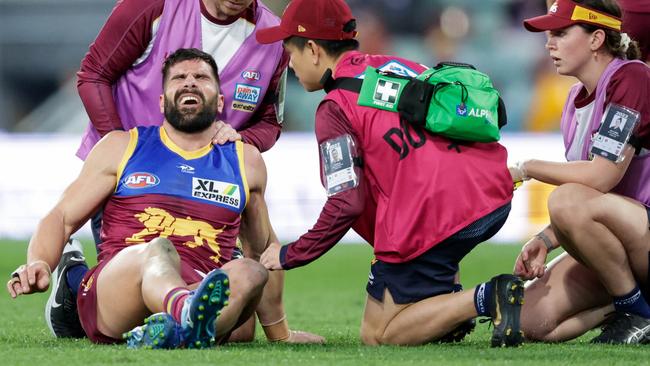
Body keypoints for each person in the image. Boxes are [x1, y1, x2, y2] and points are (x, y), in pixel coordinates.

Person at [50, 0, 322, 344]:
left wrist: (241, 139)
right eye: (181, 77)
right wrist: (127, 152)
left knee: (239, 330)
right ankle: (74, 284)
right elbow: (94, 74)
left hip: (210, 183)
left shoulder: (271, 37)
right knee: (146, 264)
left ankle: (175, 321)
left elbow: (270, 121)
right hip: (133, 181)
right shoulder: (152, 6)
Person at [255, 0, 524, 347]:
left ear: (312, 48)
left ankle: (487, 298)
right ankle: (445, 306)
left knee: (379, 335)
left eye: (289, 52)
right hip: (491, 192)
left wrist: (290, 254)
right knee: (422, 258)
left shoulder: (334, 107)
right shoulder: (400, 64)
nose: (289, 64)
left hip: (435, 213)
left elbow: (346, 202)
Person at [8, 49, 276, 348]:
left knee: (251, 271)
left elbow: (262, 252)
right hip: (122, 287)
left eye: (201, 77)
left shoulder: (245, 161)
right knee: (157, 250)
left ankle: (177, 330)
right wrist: (40, 263)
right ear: (161, 102)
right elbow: (61, 217)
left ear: (221, 100)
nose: (190, 83)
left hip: (199, 279)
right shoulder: (123, 146)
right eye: (179, 78)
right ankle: (185, 312)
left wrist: (280, 332)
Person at [510, 0, 650, 344]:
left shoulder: (632, 76)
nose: (549, 43)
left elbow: (601, 179)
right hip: (624, 237)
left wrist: (525, 168)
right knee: (529, 323)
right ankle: (635, 308)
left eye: (560, 33)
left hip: (641, 233)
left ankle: (636, 310)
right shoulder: (573, 99)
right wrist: (544, 239)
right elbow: (594, 197)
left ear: (596, 38)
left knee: (566, 198)